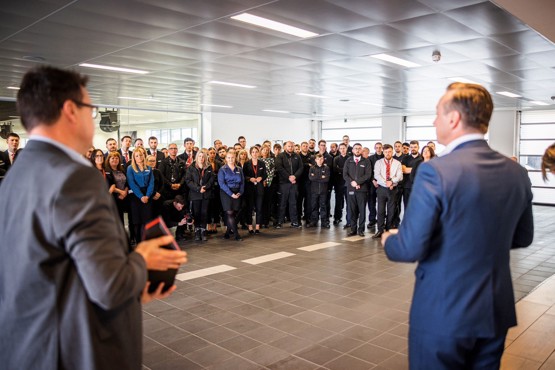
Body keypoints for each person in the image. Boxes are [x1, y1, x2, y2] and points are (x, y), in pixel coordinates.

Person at [0, 66, 187, 370]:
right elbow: (110, 286)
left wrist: (134, 285)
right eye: (91, 108)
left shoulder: (16, 175)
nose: (93, 117)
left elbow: (51, 268)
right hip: (76, 349)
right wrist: (142, 259)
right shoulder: (75, 177)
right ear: (71, 110)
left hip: (29, 346)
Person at [382, 83, 534, 369]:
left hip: (444, 311)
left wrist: (389, 238)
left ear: (453, 119)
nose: (433, 120)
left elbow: (409, 247)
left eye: (438, 113)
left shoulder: (435, 171)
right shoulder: (517, 173)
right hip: (494, 310)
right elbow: (523, 237)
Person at [372, 144, 403, 239]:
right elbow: (377, 175)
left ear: (392, 152)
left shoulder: (397, 163)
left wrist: (392, 182)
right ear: (383, 152)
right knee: (380, 210)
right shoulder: (379, 162)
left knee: (391, 210)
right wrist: (387, 183)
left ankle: (388, 229)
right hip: (381, 189)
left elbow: (400, 176)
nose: (388, 153)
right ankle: (380, 230)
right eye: (386, 152)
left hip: (393, 189)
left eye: (389, 151)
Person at [343, 143, 372, 236]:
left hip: (362, 190)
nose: (358, 150)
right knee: (352, 209)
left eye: (359, 148)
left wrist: (358, 182)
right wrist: (353, 182)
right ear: (352, 150)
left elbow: (368, 175)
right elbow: (345, 175)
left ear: (362, 150)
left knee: (362, 210)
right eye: (356, 148)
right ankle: (353, 229)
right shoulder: (348, 161)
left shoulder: (366, 161)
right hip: (351, 188)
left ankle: (361, 230)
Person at [127, 147, 155, 241]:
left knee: (147, 220)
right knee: (137, 221)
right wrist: (141, 196)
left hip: (147, 195)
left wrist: (147, 195)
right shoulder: (130, 168)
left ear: (144, 156)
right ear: (134, 157)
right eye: (137, 156)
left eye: (141, 155)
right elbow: (132, 183)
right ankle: (139, 242)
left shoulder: (149, 168)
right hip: (136, 196)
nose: (139, 157)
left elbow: (151, 183)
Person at [186, 151, 215, 241]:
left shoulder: (209, 167)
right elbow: (188, 181)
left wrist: (205, 187)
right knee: (197, 213)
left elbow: (212, 179)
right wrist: (198, 188)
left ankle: (203, 230)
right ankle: (197, 230)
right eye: (200, 156)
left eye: (203, 156)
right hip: (195, 194)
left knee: (205, 213)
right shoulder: (191, 167)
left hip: (206, 194)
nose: (201, 158)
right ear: (197, 157)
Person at [275, 141, 303, 229]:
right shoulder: (280, 156)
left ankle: (294, 222)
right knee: (282, 203)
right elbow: (279, 168)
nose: (290, 148)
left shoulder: (297, 156)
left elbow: (301, 168)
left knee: (293, 203)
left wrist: (295, 176)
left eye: (292, 146)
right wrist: (289, 177)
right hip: (284, 183)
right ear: (285, 147)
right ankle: (279, 222)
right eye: (289, 146)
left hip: (294, 183)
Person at [218, 150, 244, 241]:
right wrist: (231, 194)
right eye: (228, 157)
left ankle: (227, 232)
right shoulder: (222, 169)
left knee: (235, 212)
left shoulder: (239, 169)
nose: (230, 159)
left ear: (235, 158)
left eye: (232, 157)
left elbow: (242, 183)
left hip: (237, 192)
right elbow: (222, 184)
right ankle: (236, 234)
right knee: (229, 213)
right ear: (226, 159)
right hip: (226, 193)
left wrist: (240, 192)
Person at [243, 146, 267, 234]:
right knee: (249, 208)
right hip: (249, 188)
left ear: (258, 153)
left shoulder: (262, 163)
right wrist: (250, 179)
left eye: (256, 152)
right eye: (253, 152)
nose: (254, 153)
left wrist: (261, 177)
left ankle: (257, 227)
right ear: (250, 153)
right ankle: (250, 226)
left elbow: (265, 175)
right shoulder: (247, 163)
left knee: (259, 208)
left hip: (259, 188)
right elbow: (244, 176)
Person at [307, 153, 330, 228]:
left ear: (323, 160)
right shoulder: (312, 168)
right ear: (315, 160)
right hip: (314, 191)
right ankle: (314, 221)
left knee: (323, 206)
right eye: (318, 159)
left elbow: (326, 179)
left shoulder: (326, 168)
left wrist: (316, 177)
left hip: (323, 191)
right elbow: (311, 178)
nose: (320, 160)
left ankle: (324, 222)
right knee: (314, 206)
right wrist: (321, 177)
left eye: (321, 159)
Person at [105, 151, 129, 224]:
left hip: (124, 197)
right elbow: (110, 185)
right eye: (112, 158)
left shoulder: (122, 170)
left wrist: (125, 191)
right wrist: (121, 192)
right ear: (108, 160)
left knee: (122, 219)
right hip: (114, 198)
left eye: (116, 158)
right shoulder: (107, 171)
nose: (115, 160)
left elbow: (127, 182)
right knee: (116, 219)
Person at [401, 140, 423, 208]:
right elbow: (404, 170)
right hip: (407, 186)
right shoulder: (405, 158)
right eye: (411, 147)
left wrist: (409, 169)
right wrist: (417, 169)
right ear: (410, 148)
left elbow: (423, 170)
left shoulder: (422, 158)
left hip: (418, 186)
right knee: (407, 206)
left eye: (415, 147)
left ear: (418, 147)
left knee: (418, 207)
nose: (413, 148)